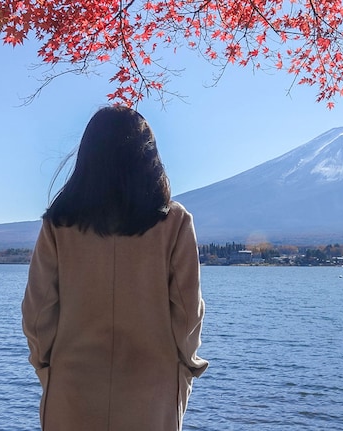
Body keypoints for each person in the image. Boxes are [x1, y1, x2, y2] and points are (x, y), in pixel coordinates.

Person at [22, 106, 208, 431]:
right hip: (153, 389)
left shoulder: (58, 224)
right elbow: (187, 313)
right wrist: (187, 365)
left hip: (72, 387)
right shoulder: (175, 222)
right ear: (148, 156)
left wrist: (47, 366)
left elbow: (37, 314)